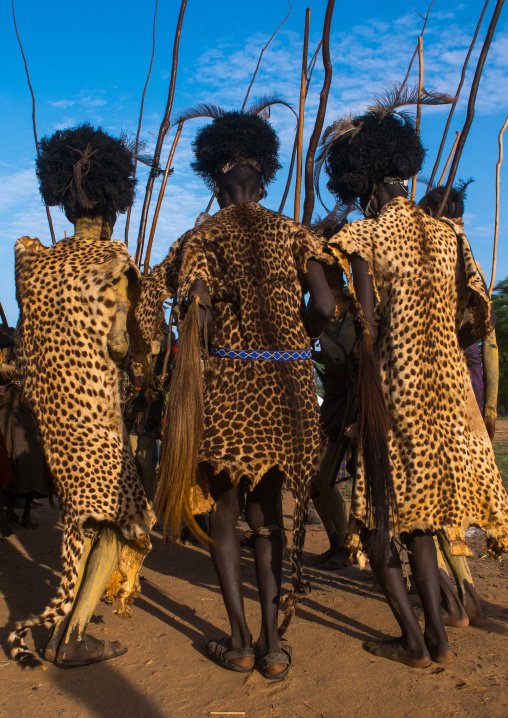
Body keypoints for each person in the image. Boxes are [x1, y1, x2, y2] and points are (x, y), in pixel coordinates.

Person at [320, 104, 508, 668]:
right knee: (423, 520)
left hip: (395, 393)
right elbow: (477, 318)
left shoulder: (363, 236)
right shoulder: (449, 234)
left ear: (367, 180)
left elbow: (363, 324)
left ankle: (415, 639)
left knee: (378, 523)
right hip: (451, 394)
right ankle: (441, 638)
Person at [154, 111, 335, 680]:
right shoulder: (296, 233)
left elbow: (194, 312)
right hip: (287, 391)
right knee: (269, 519)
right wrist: (292, 343)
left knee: (227, 516)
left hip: (230, 389)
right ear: (264, 182)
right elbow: (328, 308)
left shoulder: (201, 237)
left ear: (215, 183)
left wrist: (220, 345)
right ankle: (273, 647)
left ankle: (236, 641)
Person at [9, 124, 154, 669]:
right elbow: (122, 347)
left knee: (82, 518)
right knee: (116, 522)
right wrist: (130, 334)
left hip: (54, 421)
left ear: (64, 202)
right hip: (95, 418)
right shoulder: (114, 264)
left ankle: (74, 615)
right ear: (114, 206)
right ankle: (69, 637)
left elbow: (30, 335)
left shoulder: (33, 263)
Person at [418, 182, 500, 627]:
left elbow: (483, 338)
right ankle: (460, 591)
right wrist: (487, 407)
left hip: (436, 386)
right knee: (444, 493)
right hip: (464, 394)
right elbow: (489, 341)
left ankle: (455, 596)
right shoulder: (464, 252)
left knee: (429, 493)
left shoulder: (442, 251)